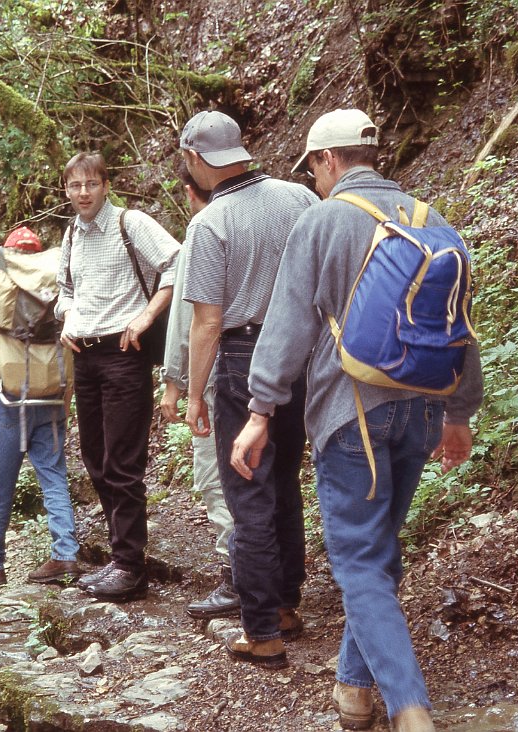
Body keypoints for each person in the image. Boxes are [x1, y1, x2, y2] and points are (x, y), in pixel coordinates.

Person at [230, 108, 484, 731]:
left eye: (312, 167)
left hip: (352, 419)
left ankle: (410, 708)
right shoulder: (431, 221)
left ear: (328, 160)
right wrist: (459, 412)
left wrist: (259, 410)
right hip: (424, 409)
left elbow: (288, 324)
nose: (314, 179)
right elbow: (462, 326)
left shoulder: (323, 222)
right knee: (377, 553)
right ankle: (352, 689)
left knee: (361, 564)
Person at [179, 110, 318, 669]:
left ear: (195, 160)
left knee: (249, 493)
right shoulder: (300, 199)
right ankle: (286, 604)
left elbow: (207, 323)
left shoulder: (210, 223)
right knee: (283, 480)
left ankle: (261, 631)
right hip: (303, 353)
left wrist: (193, 394)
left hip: (242, 355)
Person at [56, 152, 180, 603]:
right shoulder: (71, 233)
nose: (83, 193)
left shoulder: (131, 223)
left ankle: (131, 566)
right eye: (75, 186)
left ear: (106, 184)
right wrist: (68, 317)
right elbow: (66, 289)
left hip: (125, 354)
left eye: (91, 184)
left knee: (122, 463)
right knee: (94, 458)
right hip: (84, 356)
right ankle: (119, 557)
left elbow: (177, 263)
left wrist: (147, 317)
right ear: (66, 190)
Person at [0, 226, 80, 592]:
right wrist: (67, 398)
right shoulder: (62, 292)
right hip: (51, 398)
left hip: (8, 399)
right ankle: (66, 555)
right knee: (54, 478)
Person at [159, 162, 239, 620]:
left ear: (191, 192)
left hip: (215, 376)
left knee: (215, 476)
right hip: (271, 370)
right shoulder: (271, 216)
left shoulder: (202, 232)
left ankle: (235, 576)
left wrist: (176, 384)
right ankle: (277, 581)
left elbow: (188, 322)